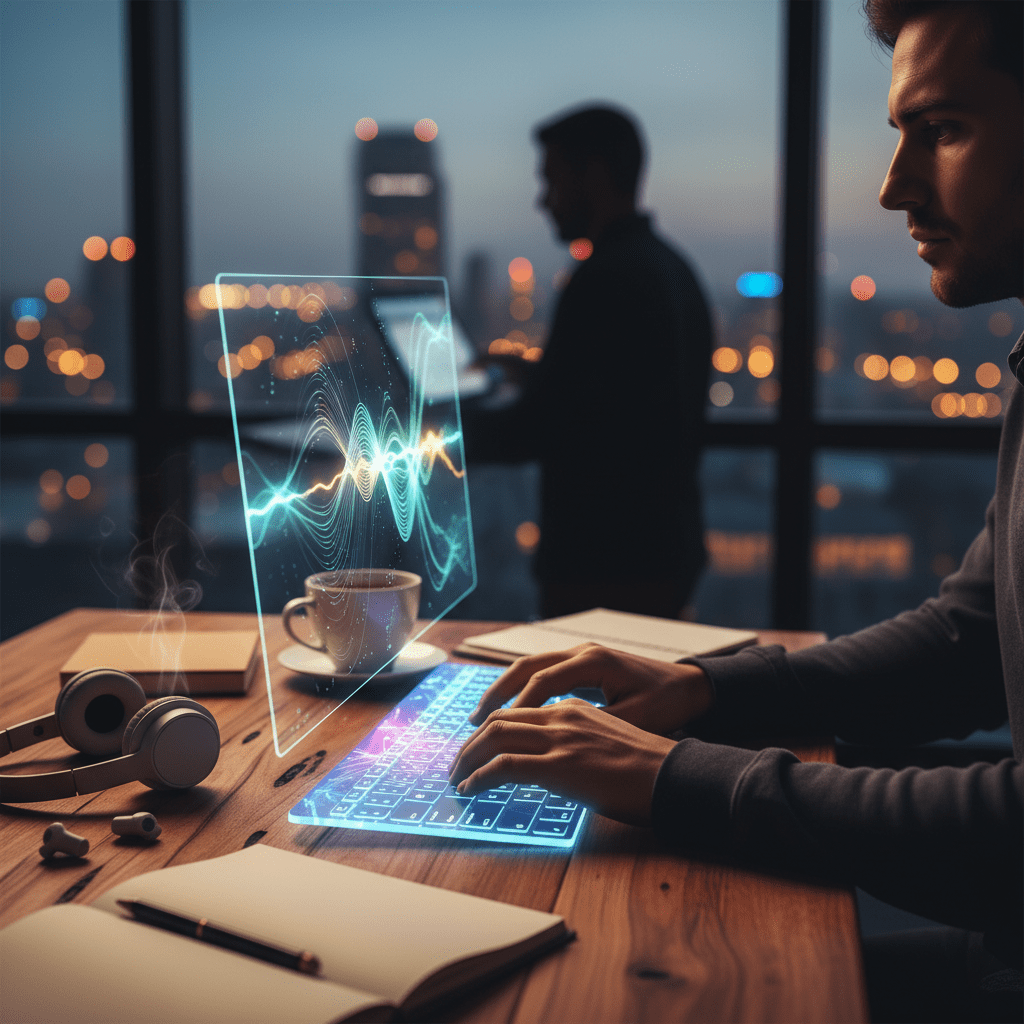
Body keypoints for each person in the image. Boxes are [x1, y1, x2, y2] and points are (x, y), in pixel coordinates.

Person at [450, 3, 1023, 1020]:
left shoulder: (607, 279)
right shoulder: (668, 269)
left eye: (942, 129)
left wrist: (680, 778)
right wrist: (707, 692)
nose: (892, 186)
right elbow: (966, 639)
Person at [463, 105, 713, 620]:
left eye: (551, 180)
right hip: (659, 548)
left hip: (605, 564)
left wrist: (430, 429)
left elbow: (542, 426)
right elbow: (619, 398)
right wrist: (535, 374)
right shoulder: (671, 267)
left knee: (587, 675)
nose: (542, 200)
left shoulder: (605, 279)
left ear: (593, 176)